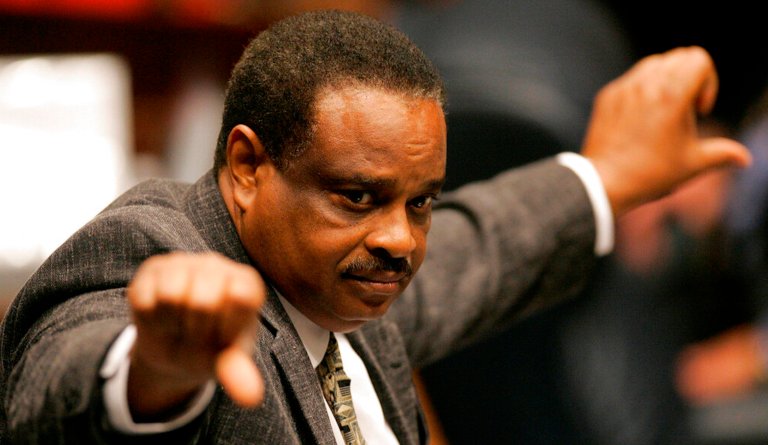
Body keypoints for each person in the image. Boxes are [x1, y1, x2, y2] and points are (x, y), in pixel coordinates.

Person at [0, 9, 750, 444]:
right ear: (248, 166)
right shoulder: (150, 246)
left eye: (418, 201)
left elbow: (482, 244)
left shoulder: (342, 280)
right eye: (357, 195)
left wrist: (611, 175)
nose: (400, 238)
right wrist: (153, 371)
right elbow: (51, 392)